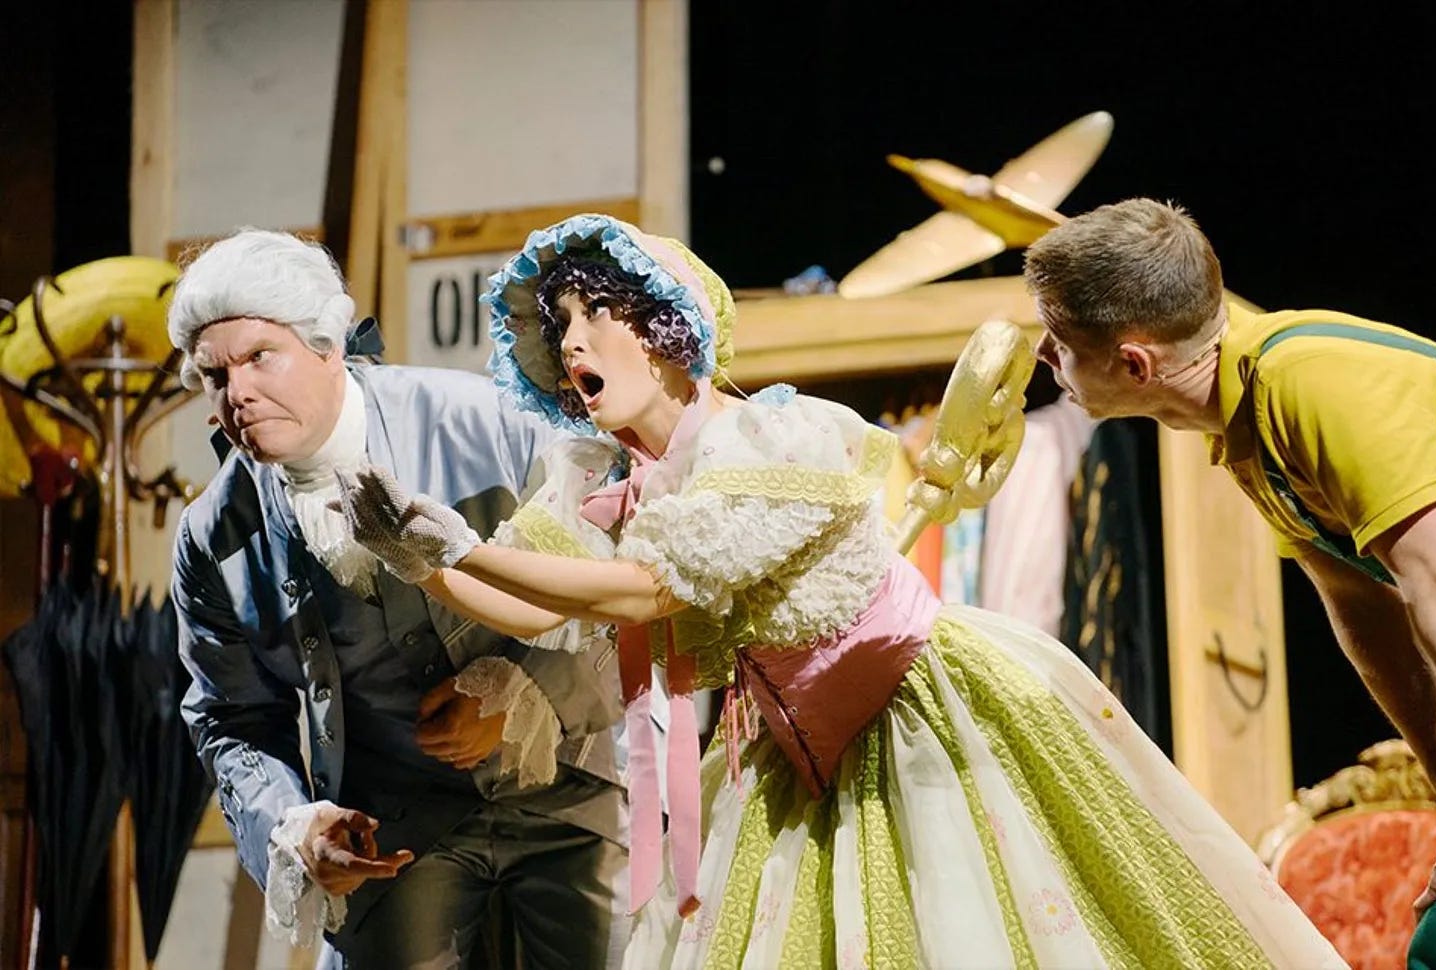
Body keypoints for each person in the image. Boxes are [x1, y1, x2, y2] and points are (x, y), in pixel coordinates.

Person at [332, 213, 1345, 967]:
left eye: (598, 311)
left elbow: (643, 591)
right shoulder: (600, 482)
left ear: (669, 326)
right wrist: (431, 560)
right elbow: (539, 603)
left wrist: (461, 549)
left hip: (915, 710)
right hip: (783, 750)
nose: (574, 339)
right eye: (561, 323)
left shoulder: (772, 436)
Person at [167, 229, 627, 969]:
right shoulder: (212, 535)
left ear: (326, 344)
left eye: (260, 356)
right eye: (213, 374)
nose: (238, 392)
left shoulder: (489, 424)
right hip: (397, 830)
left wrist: (525, 693)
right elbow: (232, 717)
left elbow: (617, 584)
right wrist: (295, 824)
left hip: (567, 785)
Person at [1024, 198, 1436, 921]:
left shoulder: (1308, 381)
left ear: (1134, 362)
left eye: (1058, 339)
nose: (1042, 354)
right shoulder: (1244, 422)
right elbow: (1361, 604)